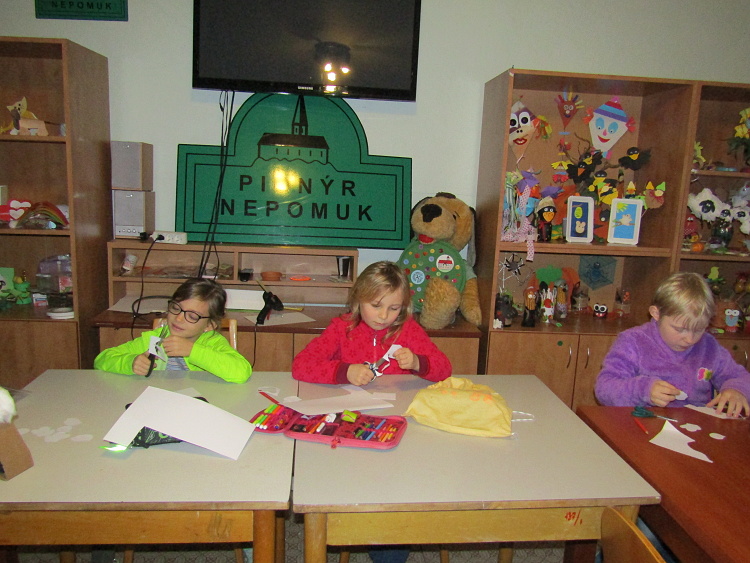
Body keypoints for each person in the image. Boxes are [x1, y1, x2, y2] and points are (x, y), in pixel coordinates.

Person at [595, 271, 750, 417]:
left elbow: (739, 376)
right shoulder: (633, 341)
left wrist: (736, 390)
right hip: (643, 422)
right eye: (680, 329)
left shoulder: (709, 346)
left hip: (695, 424)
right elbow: (604, 388)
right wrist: (644, 390)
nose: (690, 339)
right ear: (656, 314)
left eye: (699, 329)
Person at [292, 260, 452, 385]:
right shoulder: (341, 328)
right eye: (376, 306)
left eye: (394, 308)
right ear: (359, 298)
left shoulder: (408, 329)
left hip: (397, 406)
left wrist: (417, 362)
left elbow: (445, 369)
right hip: (350, 407)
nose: (384, 316)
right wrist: (346, 372)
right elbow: (300, 365)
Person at [94, 278, 251, 383]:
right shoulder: (156, 339)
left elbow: (242, 372)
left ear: (209, 325)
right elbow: (101, 360)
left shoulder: (212, 342)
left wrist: (193, 351)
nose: (179, 318)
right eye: (176, 308)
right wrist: (130, 362)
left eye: (192, 316)